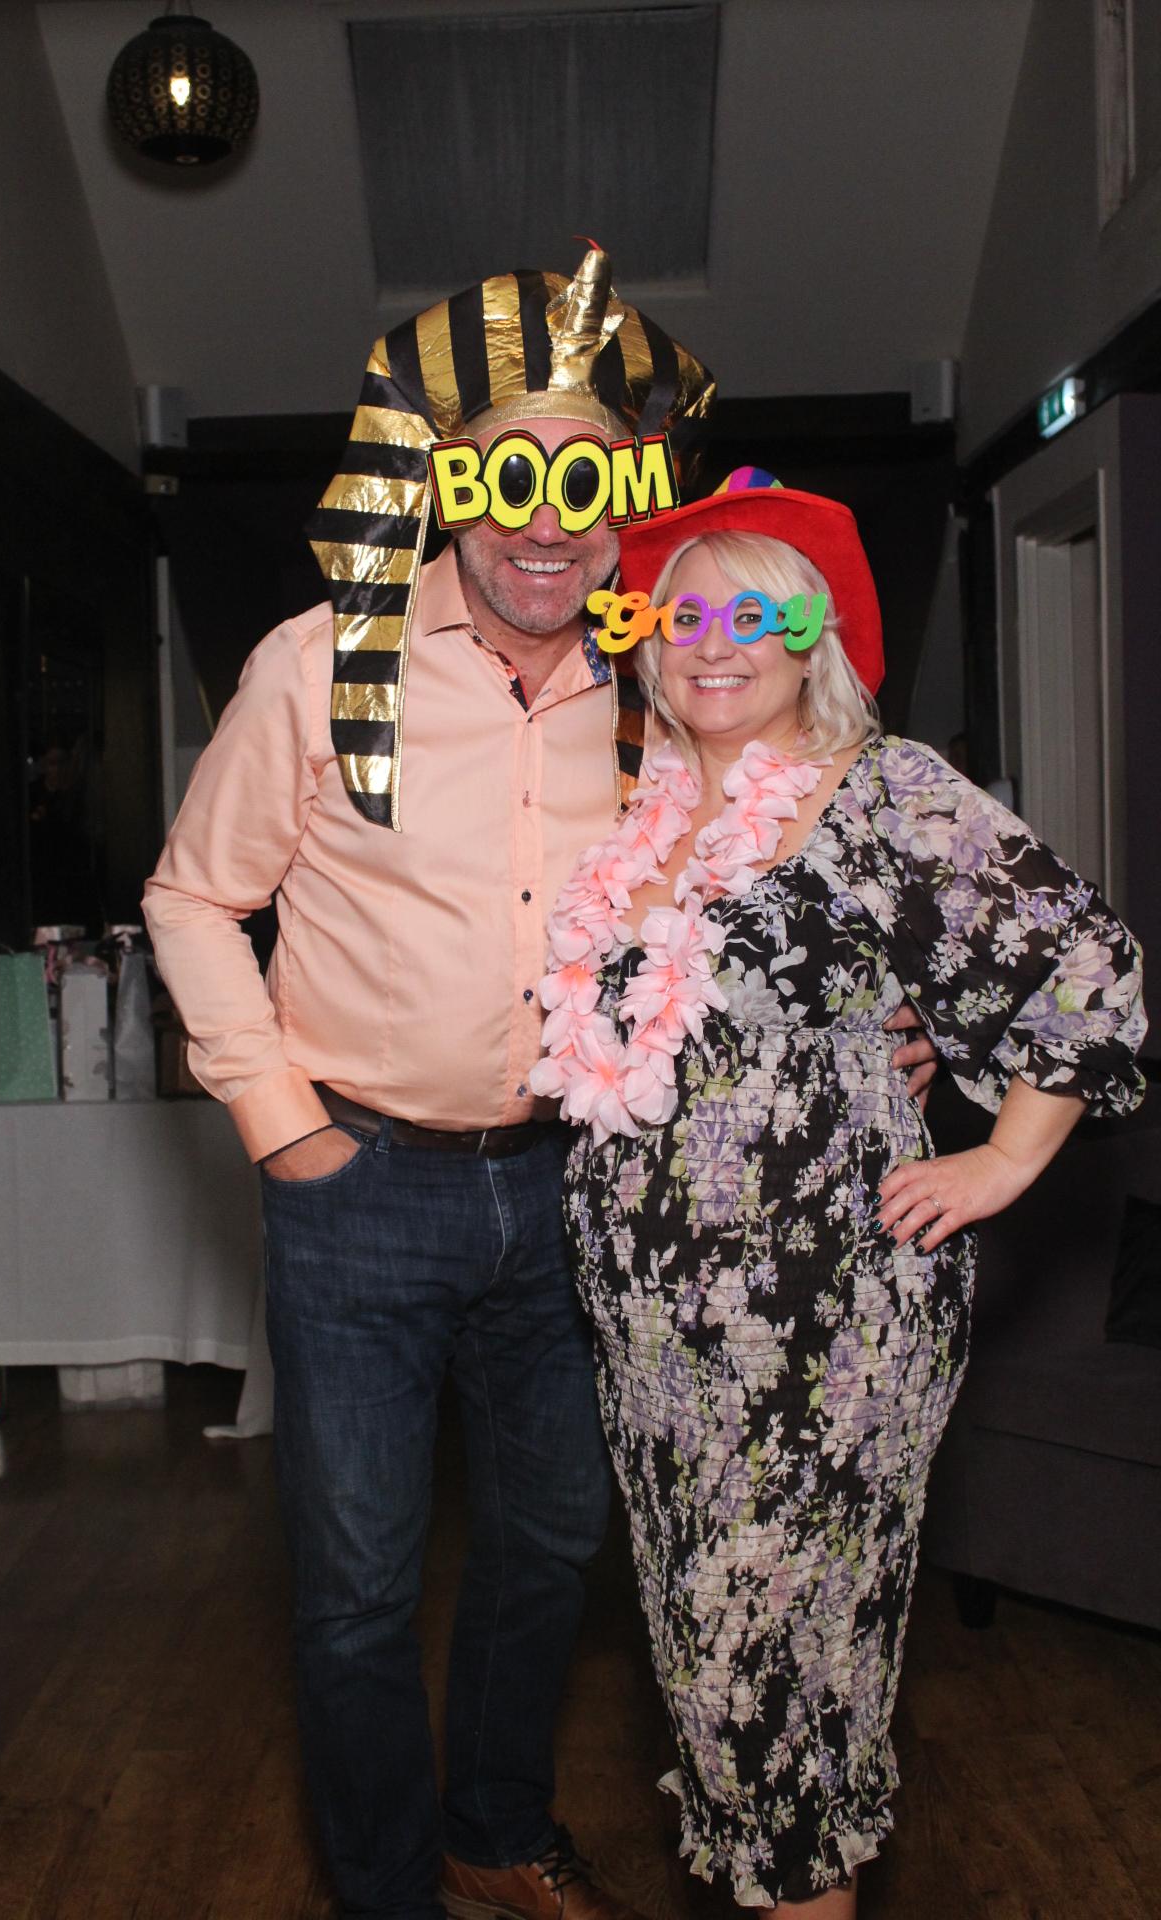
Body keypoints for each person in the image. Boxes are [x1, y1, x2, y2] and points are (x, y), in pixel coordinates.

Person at [142, 255, 933, 1920]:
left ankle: (494, 1827)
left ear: (627, 499)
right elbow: (194, 898)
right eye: (512, 475)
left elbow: (773, 871)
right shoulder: (321, 664)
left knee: (555, 1540)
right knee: (357, 1585)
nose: (546, 526)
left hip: (587, 1186)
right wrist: (283, 1126)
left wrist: (882, 1025)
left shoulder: (666, 682)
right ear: (453, 482)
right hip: (358, 1184)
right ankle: (386, 1892)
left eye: (588, 483)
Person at [533, 469, 1146, 1913]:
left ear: (816, 636)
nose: (715, 642)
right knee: (710, 1662)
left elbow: (1086, 964)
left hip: (828, 1315)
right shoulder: (644, 810)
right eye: (684, 614)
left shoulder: (884, 790)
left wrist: (1005, 1154)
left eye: (757, 613)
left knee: (783, 1682)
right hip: (658, 1338)